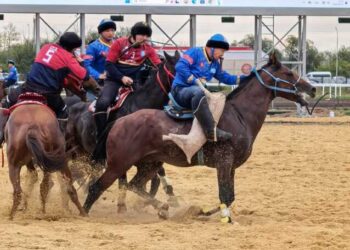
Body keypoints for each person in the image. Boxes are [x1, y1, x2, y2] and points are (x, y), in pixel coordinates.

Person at [171, 33, 247, 142]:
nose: (222, 54)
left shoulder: (215, 63)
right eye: (222, 50)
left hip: (198, 93)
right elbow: (180, 66)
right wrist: (194, 80)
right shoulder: (195, 52)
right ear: (212, 47)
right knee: (198, 92)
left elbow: (226, 78)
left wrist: (246, 78)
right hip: (180, 90)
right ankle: (211, 131)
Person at [94, 21, 161, 139]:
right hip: (114, 80)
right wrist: (122, 77)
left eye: (147, 36)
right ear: (134, 34)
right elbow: (109, 64)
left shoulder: (149, 49)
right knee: (103, 103)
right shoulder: (119, 43)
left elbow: (159, 65)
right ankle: (101, 136)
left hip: (134, 81)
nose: (144, 38)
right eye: (142, 35)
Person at [84, 19, 116, 100]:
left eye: (112, 30)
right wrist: (99, 75)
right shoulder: (93, 46)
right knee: (92, 106)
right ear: (101, 32)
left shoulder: (117, 44)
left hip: (115, 81)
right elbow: (86, 65)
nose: (111, 33)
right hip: (97, 83)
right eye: (107, 31)